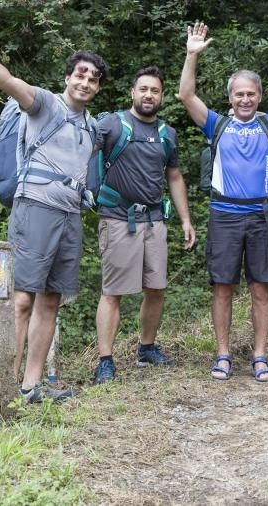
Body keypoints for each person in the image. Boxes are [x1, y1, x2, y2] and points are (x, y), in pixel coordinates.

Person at [0, 25, 107, 403]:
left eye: (93, 79)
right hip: (34, 209)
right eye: (80, 74)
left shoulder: (91, 126)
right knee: (22, 299)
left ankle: (31, 386)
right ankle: (4, 385)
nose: (85, 82)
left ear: (98, 88)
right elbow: (7, 81)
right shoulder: (44, 103)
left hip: (69, 216)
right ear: (67, 78)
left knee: (51, 300)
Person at [177, 17, 268, 382]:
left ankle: (260, 356)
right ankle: (222, 355)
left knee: (260, 288)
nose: (245, 99)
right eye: (239, 94)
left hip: (263, 216)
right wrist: (192, 55)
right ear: (230, 97)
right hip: (224, 215)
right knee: (222, 287)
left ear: (259, 96)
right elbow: (186, 94)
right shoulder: (216, 124)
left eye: (251, 93)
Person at [92, 66, 197, 384]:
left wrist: (185, 220)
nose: (148, 95)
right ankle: (105, 360)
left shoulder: (167, 133)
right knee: (113, 292)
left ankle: (146, 348)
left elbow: (174, 176)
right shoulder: (110, 124)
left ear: (162, 96)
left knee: (157, 288)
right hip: (118, 219)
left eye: (155, 90)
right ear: (132, 92)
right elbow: (83, 154)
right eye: (143, 89)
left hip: (154, 221)